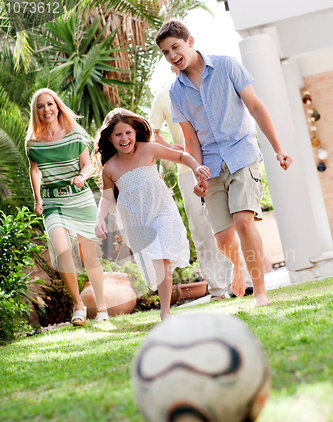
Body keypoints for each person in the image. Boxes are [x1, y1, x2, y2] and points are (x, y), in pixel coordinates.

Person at [155, 20, 293, 307]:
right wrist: (197, 174)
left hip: (242, 154)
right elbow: (190, 139)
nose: (172, 56)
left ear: (190, 41)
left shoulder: (227, 65)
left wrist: (278, 149)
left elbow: (255, 106)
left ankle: (261, 292)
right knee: (223, 240)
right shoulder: (176, 92)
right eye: (166, 52)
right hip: (210, 163)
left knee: (244, 223)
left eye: (175, 47)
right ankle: (237, 266)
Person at [92, 108, 209, 320]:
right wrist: (99, 218)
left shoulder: (147, 149)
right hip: (137, 221)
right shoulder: (109, 168)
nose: (124, 138)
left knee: (161, 256)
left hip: (161, 210)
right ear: (109, 138)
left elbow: (182, 156)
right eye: (118, 134)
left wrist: (196, 169)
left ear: (135, 132)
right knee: (157, 261)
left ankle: (165, 313)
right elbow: (107, 198)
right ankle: (165, 307)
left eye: (128, 132)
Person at [149, 67, 253, 300]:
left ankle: (244, 282)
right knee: (202, 231)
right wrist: (170, 148)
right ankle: (218, 289)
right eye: (170, 54)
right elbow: (151, 133)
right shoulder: (165, 96)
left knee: (233, 226)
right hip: (188, 171)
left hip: (222, 164)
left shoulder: (211, 88)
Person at [26, 88, 108, 326]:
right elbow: (35, 170)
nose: (46, 110)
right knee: (62, 252)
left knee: (89, 257)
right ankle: (78, 305)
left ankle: (102, 308)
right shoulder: (32, 142)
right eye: (40, 106)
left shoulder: (75, 134)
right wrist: (37, 199)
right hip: (53, 203)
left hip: (80, 200)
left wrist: (82, 176)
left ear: (57, 106)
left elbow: (87, 165)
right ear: (36, 111)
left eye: (50, 104)